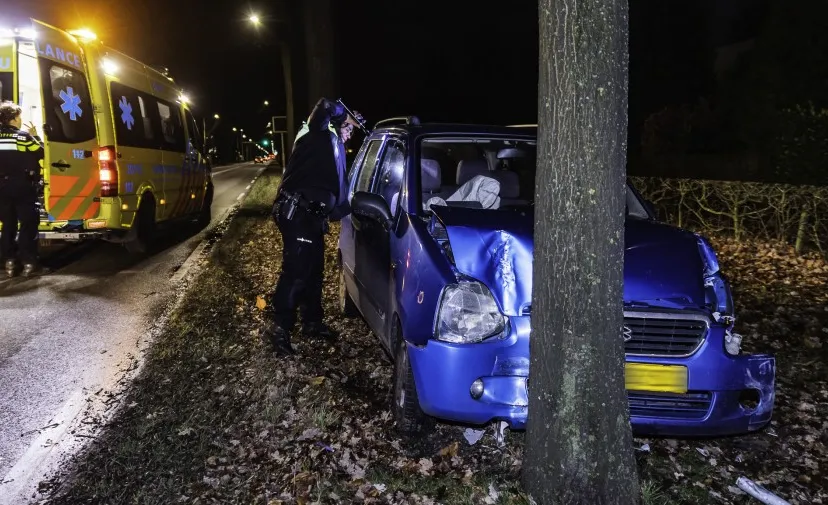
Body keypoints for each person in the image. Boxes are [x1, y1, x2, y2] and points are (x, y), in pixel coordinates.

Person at [263, 97, 362, 356]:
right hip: (297, 212)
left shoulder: (334, 147)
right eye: (348, 128)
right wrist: (344, 116)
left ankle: (312, 322)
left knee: (314, 270)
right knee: (296, 271)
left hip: (313, 217)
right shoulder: (317, 131)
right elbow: (325, 105)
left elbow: (338, 189)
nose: (350, 133)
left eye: (352, 130)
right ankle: (279, 327)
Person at [0, 101, 44, 278]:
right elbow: (41, 153)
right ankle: (28, 262)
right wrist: (36, 136)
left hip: (2, 187)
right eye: (19, 117)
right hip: (22, 186)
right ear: (14, 118)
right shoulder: (22, 137)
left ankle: (9, 262)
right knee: (28, 222)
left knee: (8, 224)